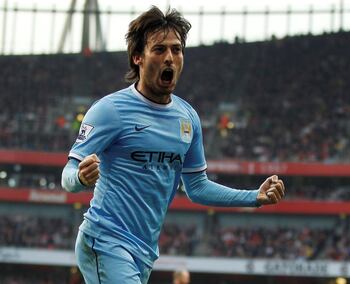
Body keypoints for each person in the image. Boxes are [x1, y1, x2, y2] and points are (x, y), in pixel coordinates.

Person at [61, 5, 285, 284]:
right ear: (138, 58)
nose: (169, 57)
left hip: (144, 251)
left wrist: (254, 197)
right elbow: (67, 177)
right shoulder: (110, 110)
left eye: (176, 50)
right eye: (159, 49)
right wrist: (80, 177)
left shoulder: (188, 118)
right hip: (104, 240)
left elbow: (197, 187)